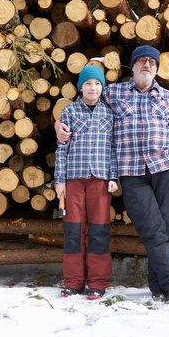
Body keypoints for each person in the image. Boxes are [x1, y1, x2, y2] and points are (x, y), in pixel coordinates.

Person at [56, 45, 169, 304]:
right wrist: (57, 125)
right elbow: (84, 104)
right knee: (152, 228)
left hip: (164, 168)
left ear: (157, 69)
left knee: (166, 228)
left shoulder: (167, 97)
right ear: (133, 66)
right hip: (132, 173)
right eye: (141, 61)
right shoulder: (114, 93)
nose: (147, 65)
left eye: (152, 62)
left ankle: (157, 287)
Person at [54, 65, 119, 300]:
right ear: (81, 86)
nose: (93, 88)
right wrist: (59, 180)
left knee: (99, 231)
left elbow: (114, 149)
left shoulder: (109, 113)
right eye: (88, 83)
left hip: (100, 181)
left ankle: (98, 282)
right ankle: (73, 281)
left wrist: (113, 176)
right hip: (73, 180)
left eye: (98, 84)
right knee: (73, 230)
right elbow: (62, 148)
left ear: (102, 87)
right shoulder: (70, 112)